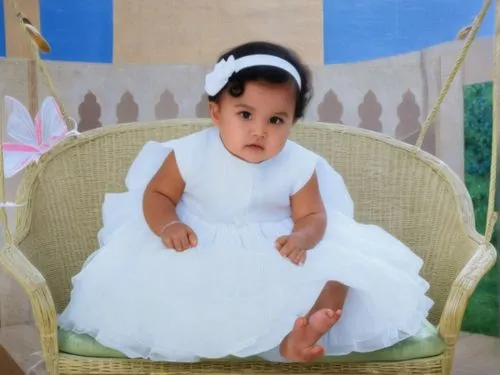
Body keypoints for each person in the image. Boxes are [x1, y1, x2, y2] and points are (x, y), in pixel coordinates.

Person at [58, 41, 433, 363]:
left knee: (344, 271)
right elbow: (157, 195)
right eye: (245, 115)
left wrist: (303, 237)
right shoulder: (190, 154)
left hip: (277, 250)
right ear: (216, 111)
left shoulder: (298, 163)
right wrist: (169, 225)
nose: (259, 130)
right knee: (171, 280)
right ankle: (203, 334)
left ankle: (302, 335)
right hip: (200, 244)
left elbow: (314, 214)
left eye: (276, 119)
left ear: (292, 123)